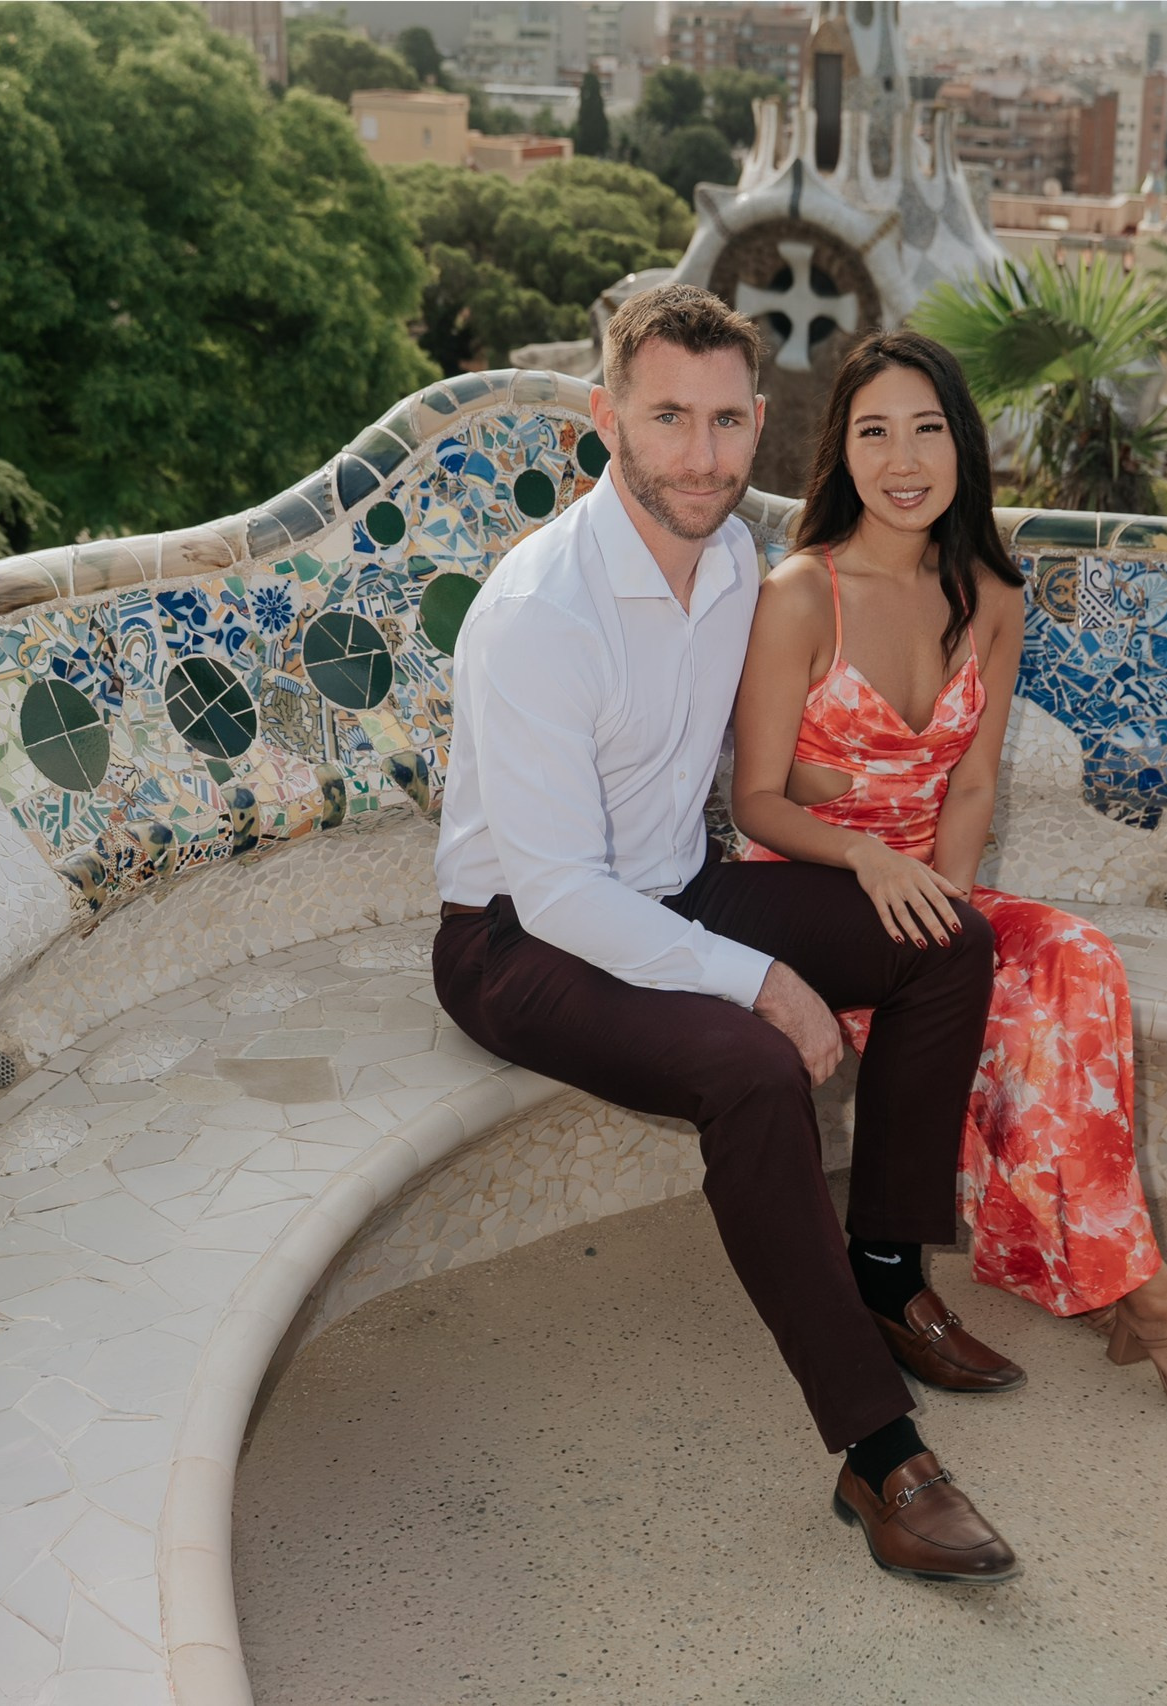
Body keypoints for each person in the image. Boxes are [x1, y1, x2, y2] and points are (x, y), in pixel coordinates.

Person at [432, 285, 1023, 1582]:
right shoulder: (544, 613)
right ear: (606, 421)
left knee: (944, 940)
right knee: (755, 1071)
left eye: (722, 422)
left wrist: (856, 828)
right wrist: (762, 981)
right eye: (664, 418)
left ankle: (882, 1264)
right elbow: (558, 892)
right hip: (515, 941)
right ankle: (879, 1456)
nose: (698, 455)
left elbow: (762, 772)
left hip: (675, 889)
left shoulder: (738, 565)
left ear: (759, 424)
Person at [729, 329, 1167, 1423]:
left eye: (928, 428)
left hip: (929, 894)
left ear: (963, 447)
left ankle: (1102, 1272)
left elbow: (970, 789)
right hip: (807, 896)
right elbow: (759, 802)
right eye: (874, 431)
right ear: (843, 450)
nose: (903, 456)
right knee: (1016, 1003)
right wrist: (873, 856)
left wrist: (951, 914)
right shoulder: (799, 593)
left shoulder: (988, 595)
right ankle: (1149, 1298)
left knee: (1074, 962)